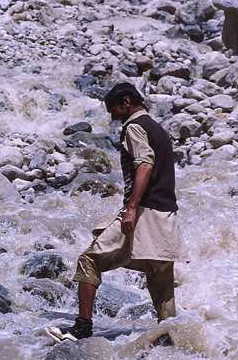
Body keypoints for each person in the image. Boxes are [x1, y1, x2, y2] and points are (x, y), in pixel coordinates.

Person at [46, 83, 181, 342]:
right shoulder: (158, 129)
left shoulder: (134, 127)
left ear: (126, 102)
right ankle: (171, 339)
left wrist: (130, 208)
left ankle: (82, 328)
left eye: (114, 110)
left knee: (89, 260)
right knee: (160, 281)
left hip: (143, 212)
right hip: (166, 217)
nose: (112, 116)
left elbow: (144, 165)